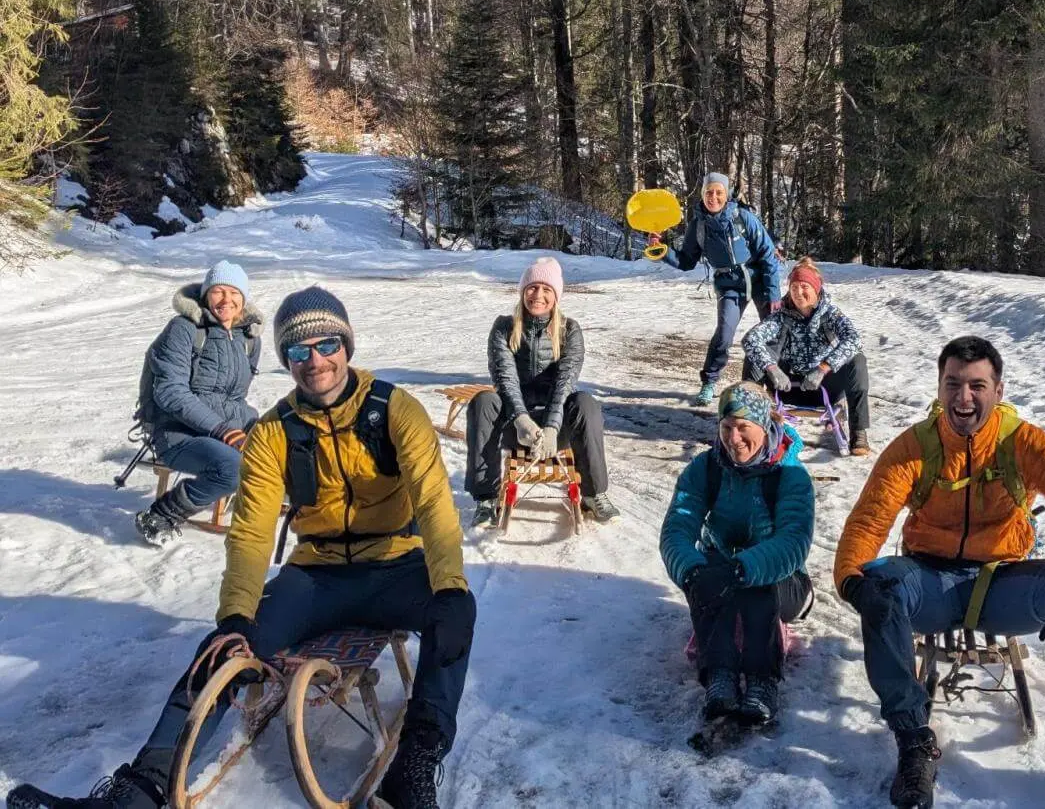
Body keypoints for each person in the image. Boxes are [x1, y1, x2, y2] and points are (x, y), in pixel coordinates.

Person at [7, 286, 476, 809]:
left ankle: (412, 768)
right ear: (286, 360)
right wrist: (235, 618)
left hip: (395, 564)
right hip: (317, 575)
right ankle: (142, 788)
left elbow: (433, 502)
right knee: (226, 646)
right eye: (298, 351)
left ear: (346, 346)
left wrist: (450, 585)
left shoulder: (394, 410)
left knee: (454, 614)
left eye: (326, 345)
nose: (315, 361)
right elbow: (251, 532)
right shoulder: (275, 431)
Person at [833, 336, 1045, 809]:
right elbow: (867, 523)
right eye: (953, 384)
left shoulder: (1025, 444)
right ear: (940, 386)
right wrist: (852, 580)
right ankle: (913, 740)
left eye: (976, 385)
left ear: (998, 390)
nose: (963, 398)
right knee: (880, 585)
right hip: (930, 581)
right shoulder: (916, 447)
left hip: (1004, 582)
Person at [660, 382, 815, 724]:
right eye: (726, 427)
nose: (733, 439)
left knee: (754, 583)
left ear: (764, 426)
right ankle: (720, 675)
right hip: (721, 569)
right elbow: (677, 529)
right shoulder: (706, 468)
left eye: (744, 428)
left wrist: (740, 570)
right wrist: (692, 571)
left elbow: (793, 542)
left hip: (785, 582)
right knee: (707, 575)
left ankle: (762, 680)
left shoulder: (790, 475)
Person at [465, 256, 618, 527]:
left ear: (556, 295)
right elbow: (505, 379)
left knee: (585, 402)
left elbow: (565, 383)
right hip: (515, 429)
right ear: (523, 291)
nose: (538, 295)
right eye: (533, 287)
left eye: (547, 289)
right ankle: (486, 498)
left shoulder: (569, 329)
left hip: (555, 431)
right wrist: (522, 420)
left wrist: (550, 427)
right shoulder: (504, 327)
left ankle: (594, 494)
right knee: (484, 400)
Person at [133, 260, 262, 545]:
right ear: (205, 295)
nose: (226, 300)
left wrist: (255, 426)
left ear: (243, 299)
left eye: (234, 293)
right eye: (218, 291)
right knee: (232, 468)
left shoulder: (248, 339)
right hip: (177, 433)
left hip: (224, 430)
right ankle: (162, 515)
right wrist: (222, 430)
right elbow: (170, 392)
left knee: (292, 440)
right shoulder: (185, 329)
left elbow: (234, 397)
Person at [648, 172, 781, 406]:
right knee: (723, 335)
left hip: (758, 279)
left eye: (719, 192)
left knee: (773, 333)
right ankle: (709, 382)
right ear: (703, 195)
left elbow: (767, 255)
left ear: (726, 194)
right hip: (729, 285)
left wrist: (772, 292)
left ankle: (775, 385)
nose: (714, 197)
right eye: (709, 192)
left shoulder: (744, 218)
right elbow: (686, 261)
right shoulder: (699, 226)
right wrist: (662, 250)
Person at [742, 257, 871, 456]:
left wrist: (823, 368)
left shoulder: (831, 315)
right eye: (794, 287)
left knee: (857, 360)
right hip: (788, 386)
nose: (798, 292)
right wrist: (771, 368)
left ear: (816, 289)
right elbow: (751, 339)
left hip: (826, 387)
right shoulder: (781, 316)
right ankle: (750, 422)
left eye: (804, 286)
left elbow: (854, 340)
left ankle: (858, 432)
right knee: (754, 356)